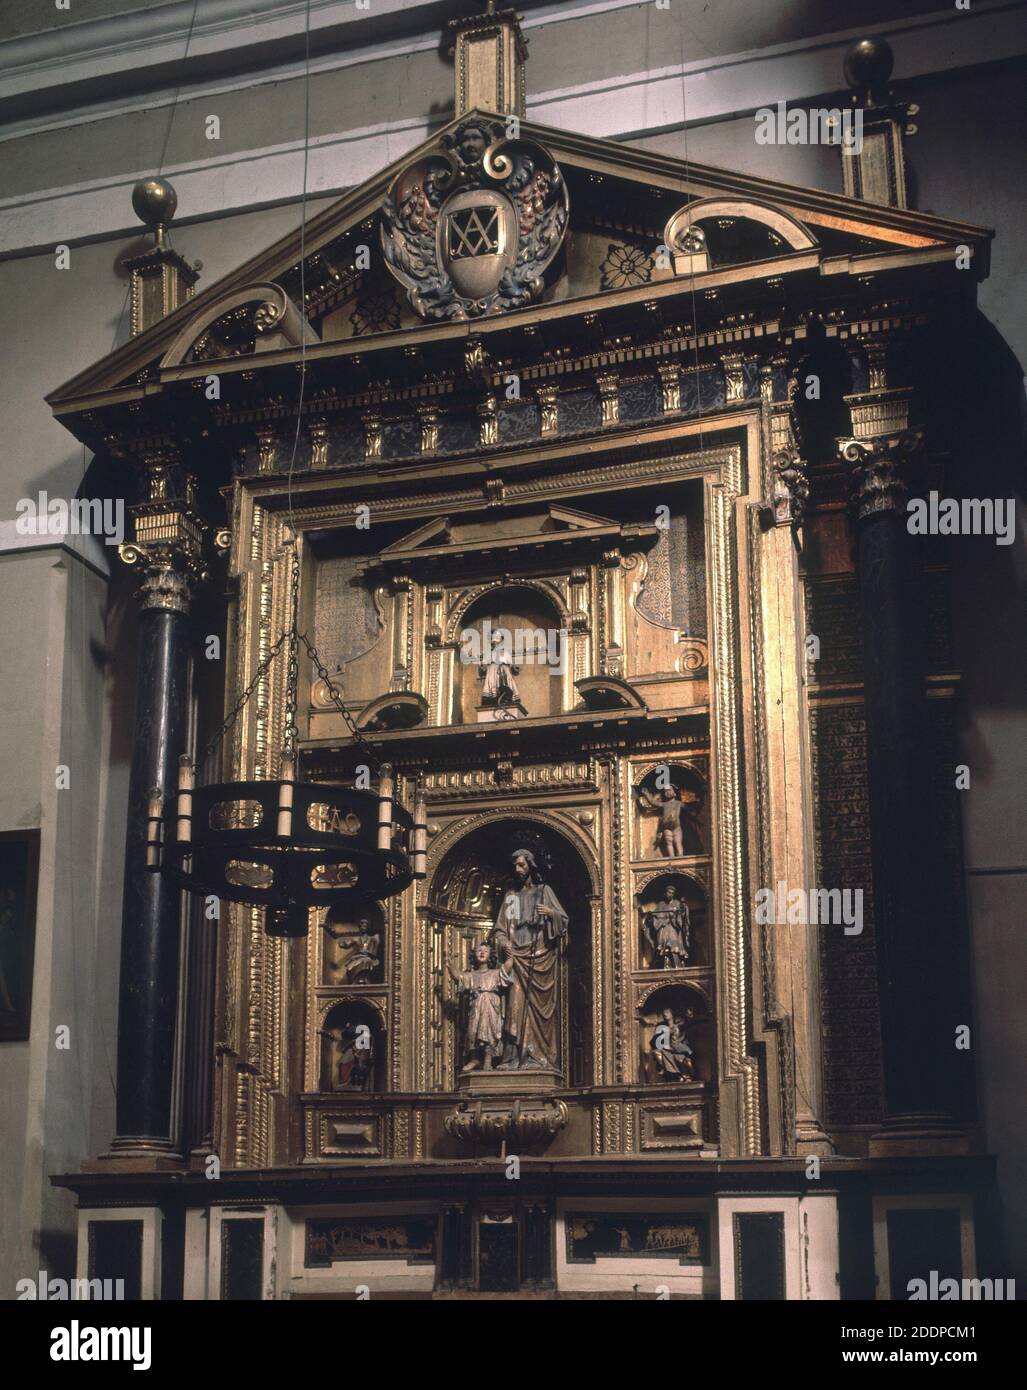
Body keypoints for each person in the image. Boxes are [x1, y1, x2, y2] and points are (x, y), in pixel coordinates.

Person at [492, 849, 568, 1070]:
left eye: (521, 865)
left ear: (531, 866)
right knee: (515, 1006)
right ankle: (513, 1057)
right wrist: (504, 941)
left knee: (538, 1009)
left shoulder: (544, 891)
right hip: (517, 957)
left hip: (540, 956)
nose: (517, 869)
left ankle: (537, 1058)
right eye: (515, 865)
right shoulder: (512, 897)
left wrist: (551, 913)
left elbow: (563, 920)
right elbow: (502, 929)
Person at [448, 943, 511, 1071]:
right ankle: (475, 1059)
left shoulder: (495, 973)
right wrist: (449, 965)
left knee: (490, 1032)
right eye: (479, 951)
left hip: (491, 1006)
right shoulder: (471, 975)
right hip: (476, 1007)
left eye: (485, 951)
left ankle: (488, 1060)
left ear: (490, 956)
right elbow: (459, 977)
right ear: (474, 955)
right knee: (473, 1031)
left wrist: (511, 955)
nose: (482, 953)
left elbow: (507, 968)